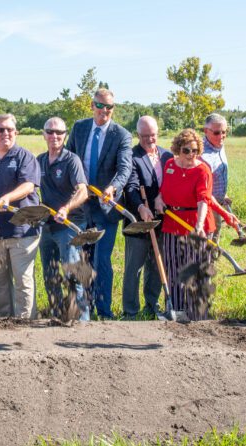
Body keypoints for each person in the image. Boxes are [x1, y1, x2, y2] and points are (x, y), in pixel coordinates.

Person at [153, 129, 235, 321]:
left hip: (196, 224)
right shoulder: (170, 165)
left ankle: (198, 315)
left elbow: (204, 200)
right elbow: (164, 188)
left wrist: (199, 225)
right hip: (173, 222)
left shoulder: (202, 169)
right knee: (173, 269)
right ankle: (177, 312)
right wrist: (158, 198)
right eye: (186, 150)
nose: (191, 155)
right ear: (177, 149)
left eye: (195, 151)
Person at [65, 88, 132, 319]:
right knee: (81, 259)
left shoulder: (121, 135)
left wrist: (113, 187)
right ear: (92, 106)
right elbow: (69, 159)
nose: (105, 111)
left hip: (106, 208)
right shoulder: (79, 128)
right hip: (81, 207)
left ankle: (104, 311)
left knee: (102, 260)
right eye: (100, 106)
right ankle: (84, 310)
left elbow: (125, 168)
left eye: (109, 107)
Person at [0, 114, 41, 318]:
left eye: (10, 129)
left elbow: (29, 185)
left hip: (22, 229)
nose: (6, 133)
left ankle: (25, 322)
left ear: (16, 132)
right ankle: (4, 320)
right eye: (1, 129)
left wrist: (8, 198)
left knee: (22, 279)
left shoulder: (25, 157)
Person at [36, 117, 89, 321]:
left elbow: (83, 191)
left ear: (65, 135)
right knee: (50, 275)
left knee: (72, 274)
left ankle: (82, 319)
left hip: (69, 225)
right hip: (47, 226)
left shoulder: (71, 160)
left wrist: (66, 208)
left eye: (59, 133)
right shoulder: (39, 160)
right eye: (50, 132)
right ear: (44, 134)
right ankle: (58, 315)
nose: (54, 136)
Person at [122, 116, 173, 320]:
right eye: (145, 136)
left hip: (162, 219)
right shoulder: (132, 156)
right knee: (134, 268)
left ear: (157, 133)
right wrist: (141, 207)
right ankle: (130, 311)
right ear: (138, 135)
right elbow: (131, 187)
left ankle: (152, 306)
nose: (150, 140)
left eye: (152, 135)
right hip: (139, 221)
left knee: (156, 264)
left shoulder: (167, 155)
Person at [200, 113, 230, 243]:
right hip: (206, 206)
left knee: (215, 240)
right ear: (206, 131)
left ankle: (211, 261)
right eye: (217, 132)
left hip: (218, 202)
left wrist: (224, 194)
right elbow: (203, 189)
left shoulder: (219, 146)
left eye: (224, 132)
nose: (221, 136)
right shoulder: (201, 153)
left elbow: (218, 176)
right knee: (207, 241)